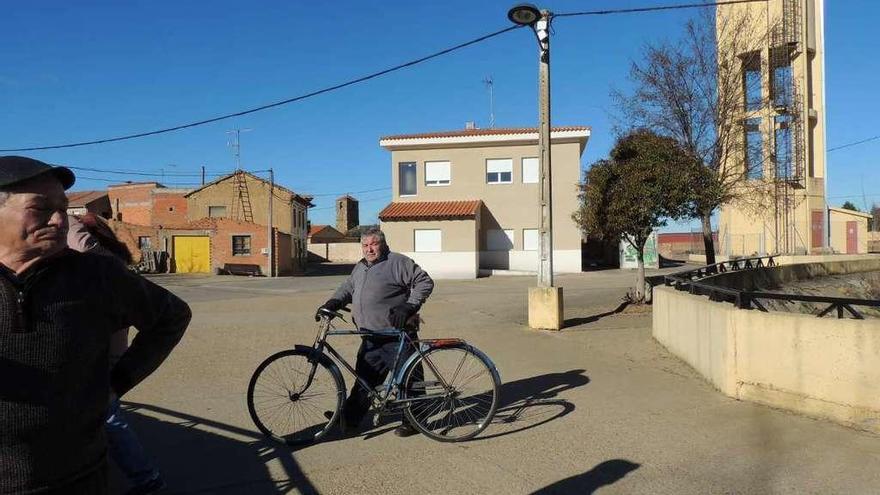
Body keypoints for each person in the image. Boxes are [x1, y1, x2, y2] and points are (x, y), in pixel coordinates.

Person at [0, 156, 191, 494]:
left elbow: (171, 316)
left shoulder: (97, 275)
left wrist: (116, 383)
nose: (59, 220)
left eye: (63, 208)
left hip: (79, 476)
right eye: (42, 208)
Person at [67, 213, 166, 495]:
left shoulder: (99, 256)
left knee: (108, 416)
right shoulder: (109, 257)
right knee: (97, 415)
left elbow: (85, 247)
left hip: (103, 351)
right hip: (105, 346)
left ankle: (146, 477)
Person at [316, 227, 434, 437]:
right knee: (365, 380)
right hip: (371, 335)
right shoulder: (361, 267)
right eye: (365, 245)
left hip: (396, 335)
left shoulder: (397, 262)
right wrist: (333, 302)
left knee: (408, 380)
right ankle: (351, 419)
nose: (369, 249)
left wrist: (409, 306)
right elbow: (348, 287)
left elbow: (424, 282)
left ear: (383, 244)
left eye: (374, 244)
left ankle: (416, 420)